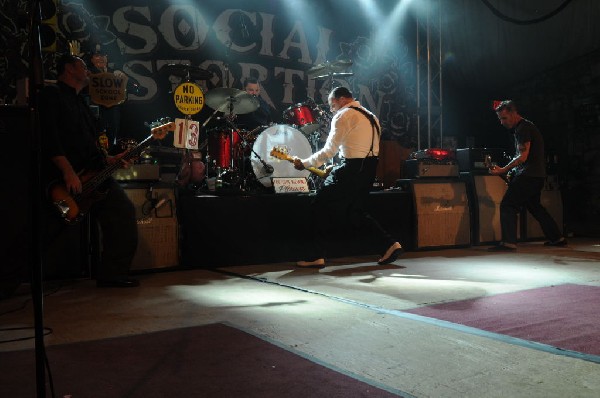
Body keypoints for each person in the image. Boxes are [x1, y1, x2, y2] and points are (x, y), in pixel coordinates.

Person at [39, 54, 139, 287]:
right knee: (53, 228)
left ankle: (113, 274)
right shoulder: (51, 95)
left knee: (122, 213)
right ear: (69, 69)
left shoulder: (81, 102)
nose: (88, 70)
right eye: (82, 65)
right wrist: (68, 172)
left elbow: (90, 145)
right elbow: (50, 138)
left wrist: (112, 159)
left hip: (94, 174)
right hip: (68, 177)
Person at [292, 86, 403, 267]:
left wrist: (304, 164)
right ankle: (390, 245)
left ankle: (314, 256)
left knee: (318, 205)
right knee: (355, 212)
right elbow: (358, 148)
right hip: (369, 169)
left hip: (352, 169)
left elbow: (329, 150)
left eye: (332, 105)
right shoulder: (372, 116)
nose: (331, 109)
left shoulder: (344, 115)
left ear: (341, 100)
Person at [488, 100, 566, 251]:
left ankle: (508, 243)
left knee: (508, 204)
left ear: (513, 113)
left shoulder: (523, 128)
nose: (502, 122)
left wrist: (503, 170)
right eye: (500, 119)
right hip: (536, 176)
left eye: (504, 118)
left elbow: (523, 157)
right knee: (535, 207)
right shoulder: (525, 127)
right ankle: (557, 238)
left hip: (529, 176)